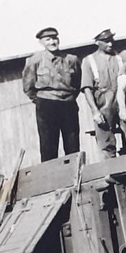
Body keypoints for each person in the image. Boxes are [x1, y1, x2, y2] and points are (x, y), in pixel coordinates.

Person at [21, 26, 82, 162]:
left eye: (54, 38)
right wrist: (42, 101)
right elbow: (28, 87)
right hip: (47, 105)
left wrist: (69, 97)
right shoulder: (34, 61)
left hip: (68, 104)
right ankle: (50, 180)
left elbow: (77, 84)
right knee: (48, 145)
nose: (52, 42)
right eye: (48, 39)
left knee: (72, 143)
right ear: (41, 42)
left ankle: (74, 177)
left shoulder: (71, 59)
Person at [78, 28, 123, 159]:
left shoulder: (120, 57)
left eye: (111, 41)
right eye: (106, 42)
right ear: (97, 42)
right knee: (106, 142)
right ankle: (110, 171)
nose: (110, 44)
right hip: (103, 102)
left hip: (121, 99)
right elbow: (87, 88)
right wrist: (95, 111)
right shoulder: (89, 60)